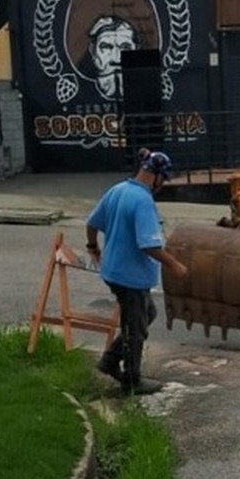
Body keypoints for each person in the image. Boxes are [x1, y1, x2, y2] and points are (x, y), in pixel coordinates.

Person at [85, 149, 188, 394]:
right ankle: (132, 381)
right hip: (130, 277)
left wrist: (93, 247)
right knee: (136, 328)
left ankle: (109, 360)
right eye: (163, 180)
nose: (163, 185)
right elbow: (149, 245)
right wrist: (175, 265)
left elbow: (91, 222)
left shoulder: (118, 190)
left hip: (114, 271)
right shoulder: (143, 201)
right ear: (156, 176)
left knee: (146, 314)